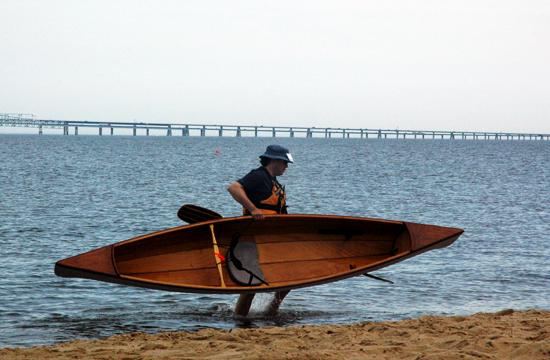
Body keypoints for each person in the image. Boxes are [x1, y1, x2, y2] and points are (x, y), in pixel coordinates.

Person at [227, 144, 293, 316]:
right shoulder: (259, 176)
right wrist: (253, 209)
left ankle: (270, 311)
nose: (286, 167)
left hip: (270, 239)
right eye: (285, 163)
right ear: (274, 161)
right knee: (251, 284)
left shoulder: (273, 182)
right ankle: (239, 318)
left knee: (290, 277)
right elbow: (233, 188)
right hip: (253, 239)